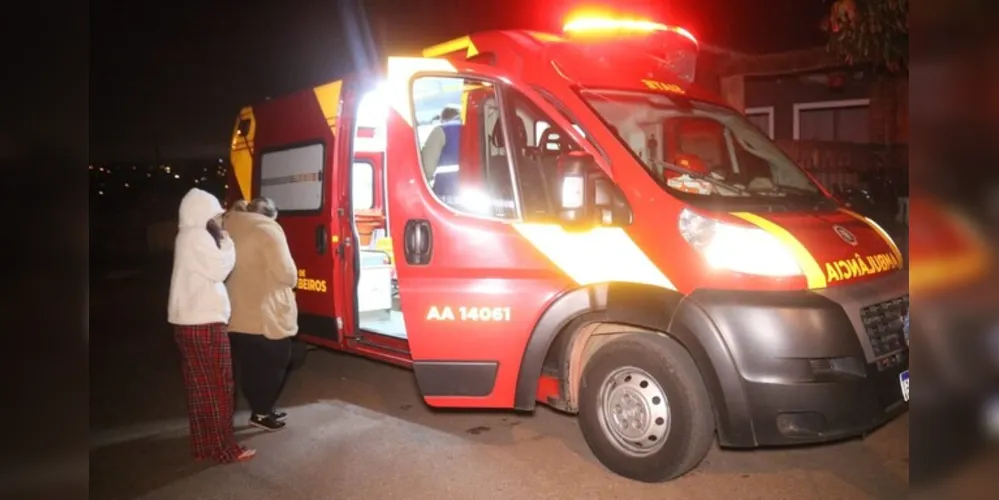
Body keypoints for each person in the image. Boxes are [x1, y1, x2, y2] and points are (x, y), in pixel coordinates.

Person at [167, 188, 255, 463]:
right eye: (215, 215)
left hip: (189, 322)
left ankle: (205, 445)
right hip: (204, 322)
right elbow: (220, 269)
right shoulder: (197, 237)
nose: (218, 220)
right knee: (219, 386)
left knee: (200, 387)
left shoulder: (185, 236)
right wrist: (228, 244)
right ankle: (223, 448)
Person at [223, 196, 299, 431]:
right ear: (271, 215)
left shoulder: (231, 224)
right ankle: (261, 413)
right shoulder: (267, 229)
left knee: (251, 364)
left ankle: (261, 407)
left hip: (238, 310)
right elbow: (288, 274)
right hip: (265, 314)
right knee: (275, 362)